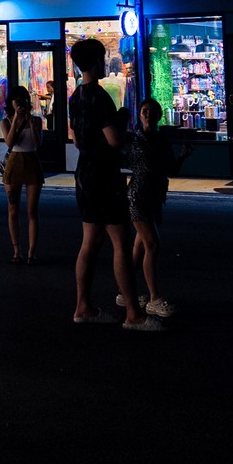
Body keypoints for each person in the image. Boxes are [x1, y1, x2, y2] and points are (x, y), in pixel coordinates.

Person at [67, 38, 162, 332]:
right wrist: (122, 117)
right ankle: (133, 314)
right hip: (105, 175)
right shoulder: (100, 96)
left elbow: (76, 138)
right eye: (104, 56)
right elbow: (114, 140)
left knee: (89, 243)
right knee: (120, 243)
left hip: (84, 174)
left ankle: (83, 306)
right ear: (97, 61)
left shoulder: (74, 98)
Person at [123, 99, 188, 317]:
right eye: (144, 111)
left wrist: (182, 157)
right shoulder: (136, 140)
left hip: (153, 196)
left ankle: (126, 291)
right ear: (139, 115)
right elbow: (148, 166)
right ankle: (153, 298)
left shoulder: (160, 140)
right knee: (152, 244)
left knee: (140, 246)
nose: (148, 115)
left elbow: (170, 170)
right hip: (138, 196)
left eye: (152, 112)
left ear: (159, 115)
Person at [1, 90, 43, 263]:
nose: (19, 104)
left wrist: (31, 123)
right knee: (13, 210)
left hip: (32, 161)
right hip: (14, 163)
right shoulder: (7, 121)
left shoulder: (36, 120)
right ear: (11, 103)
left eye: (22, 101)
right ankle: (16, 249)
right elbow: (10, 142)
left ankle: (31, 251)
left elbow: (37, 144)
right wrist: (16, 120)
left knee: (32, 210)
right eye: (16, 101)